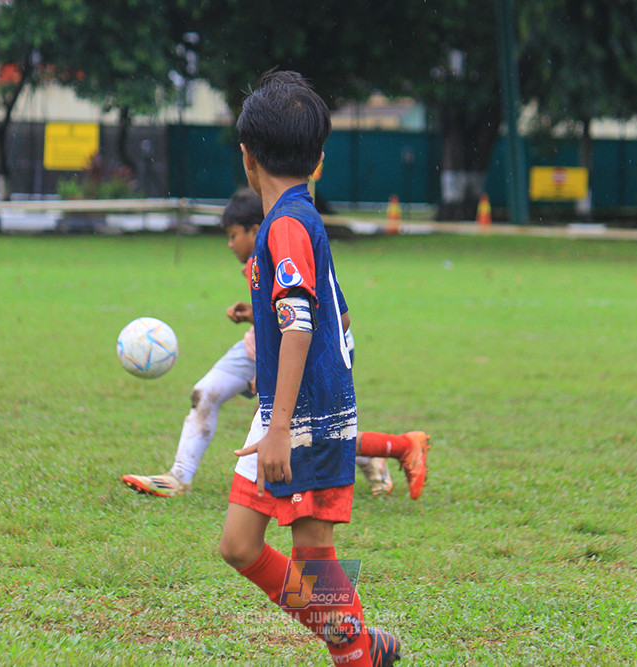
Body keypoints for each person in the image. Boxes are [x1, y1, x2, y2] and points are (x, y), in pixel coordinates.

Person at [217, 71, 401, 666]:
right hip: (288, 411)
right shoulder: (292, 221)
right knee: (240, 546)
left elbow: (299, 323)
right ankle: (354, 640)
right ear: (319, 160)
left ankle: (353, 651)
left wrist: (279, 428)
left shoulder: (290, 224)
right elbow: (333, 319)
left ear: (247, 157)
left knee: (314, 555)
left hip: (304, 419)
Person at [120, 189, 430, 501]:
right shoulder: (254, 260)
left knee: (304, 433)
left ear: (255, 230)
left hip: (310, 351)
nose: (229, 245)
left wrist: (269, 377)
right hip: (262, 345)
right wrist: (253, 316)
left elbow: (313, 320)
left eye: (232, 236)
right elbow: (280, 314)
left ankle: (392, 448)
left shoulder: (287, 245)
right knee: (205, 392)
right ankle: (178, 477)